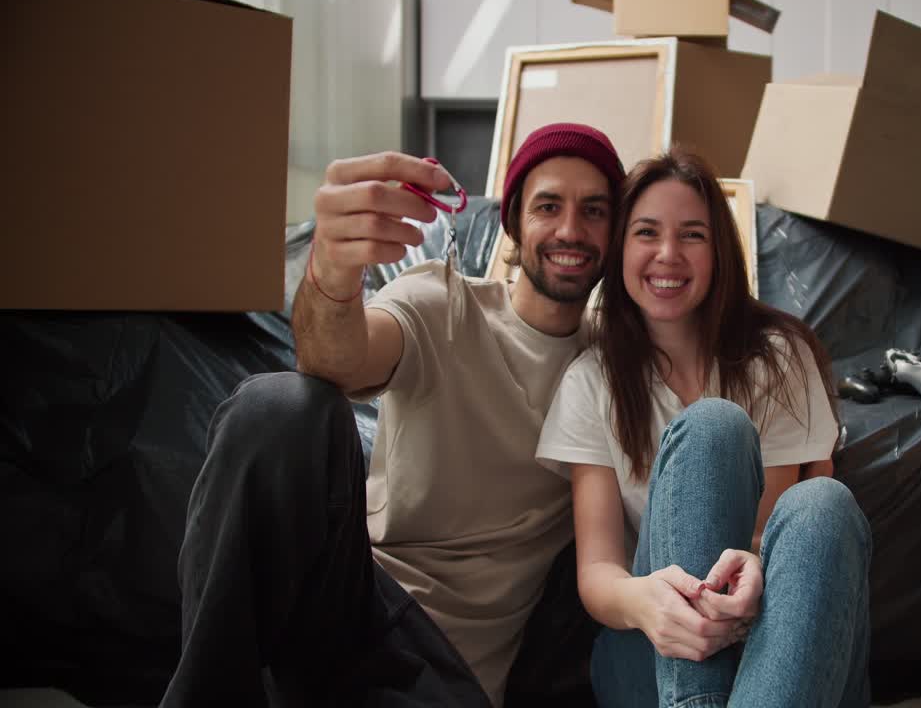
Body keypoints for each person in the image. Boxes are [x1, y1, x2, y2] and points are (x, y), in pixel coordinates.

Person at [159, 123, 626, 708]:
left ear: (617, 233)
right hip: (356, 603)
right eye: (548, 206)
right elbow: (333, 360)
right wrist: (332, 266)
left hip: (446, 672)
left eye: (595, 211)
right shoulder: (442, 302)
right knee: (276, 406)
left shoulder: (619, 366)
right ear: (513, 224)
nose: (569, 230)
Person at [536, 148, 872, 707]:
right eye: (646, 232)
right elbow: (597, 572)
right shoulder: (592, 380)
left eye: (692, 235)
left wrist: (756, 570)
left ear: (720, 251)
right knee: (711, 428)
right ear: (620, 248)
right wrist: (650, 604)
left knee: (824, 505)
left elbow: (772, 538)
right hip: (651, 650)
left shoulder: (778, 359)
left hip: (773, 634)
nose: (668, 255)